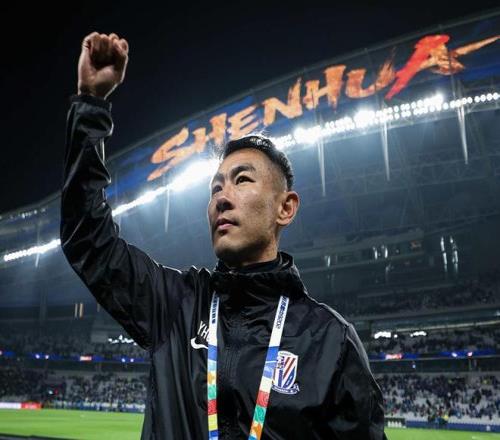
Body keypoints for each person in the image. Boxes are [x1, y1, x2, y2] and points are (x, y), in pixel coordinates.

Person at [60, 31, 387, 439]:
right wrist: (91, 105)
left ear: (285, 208)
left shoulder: (330, 341)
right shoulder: (175, 306)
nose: (221, 198)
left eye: (242, 180)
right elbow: (87, 238)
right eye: (215, 187)